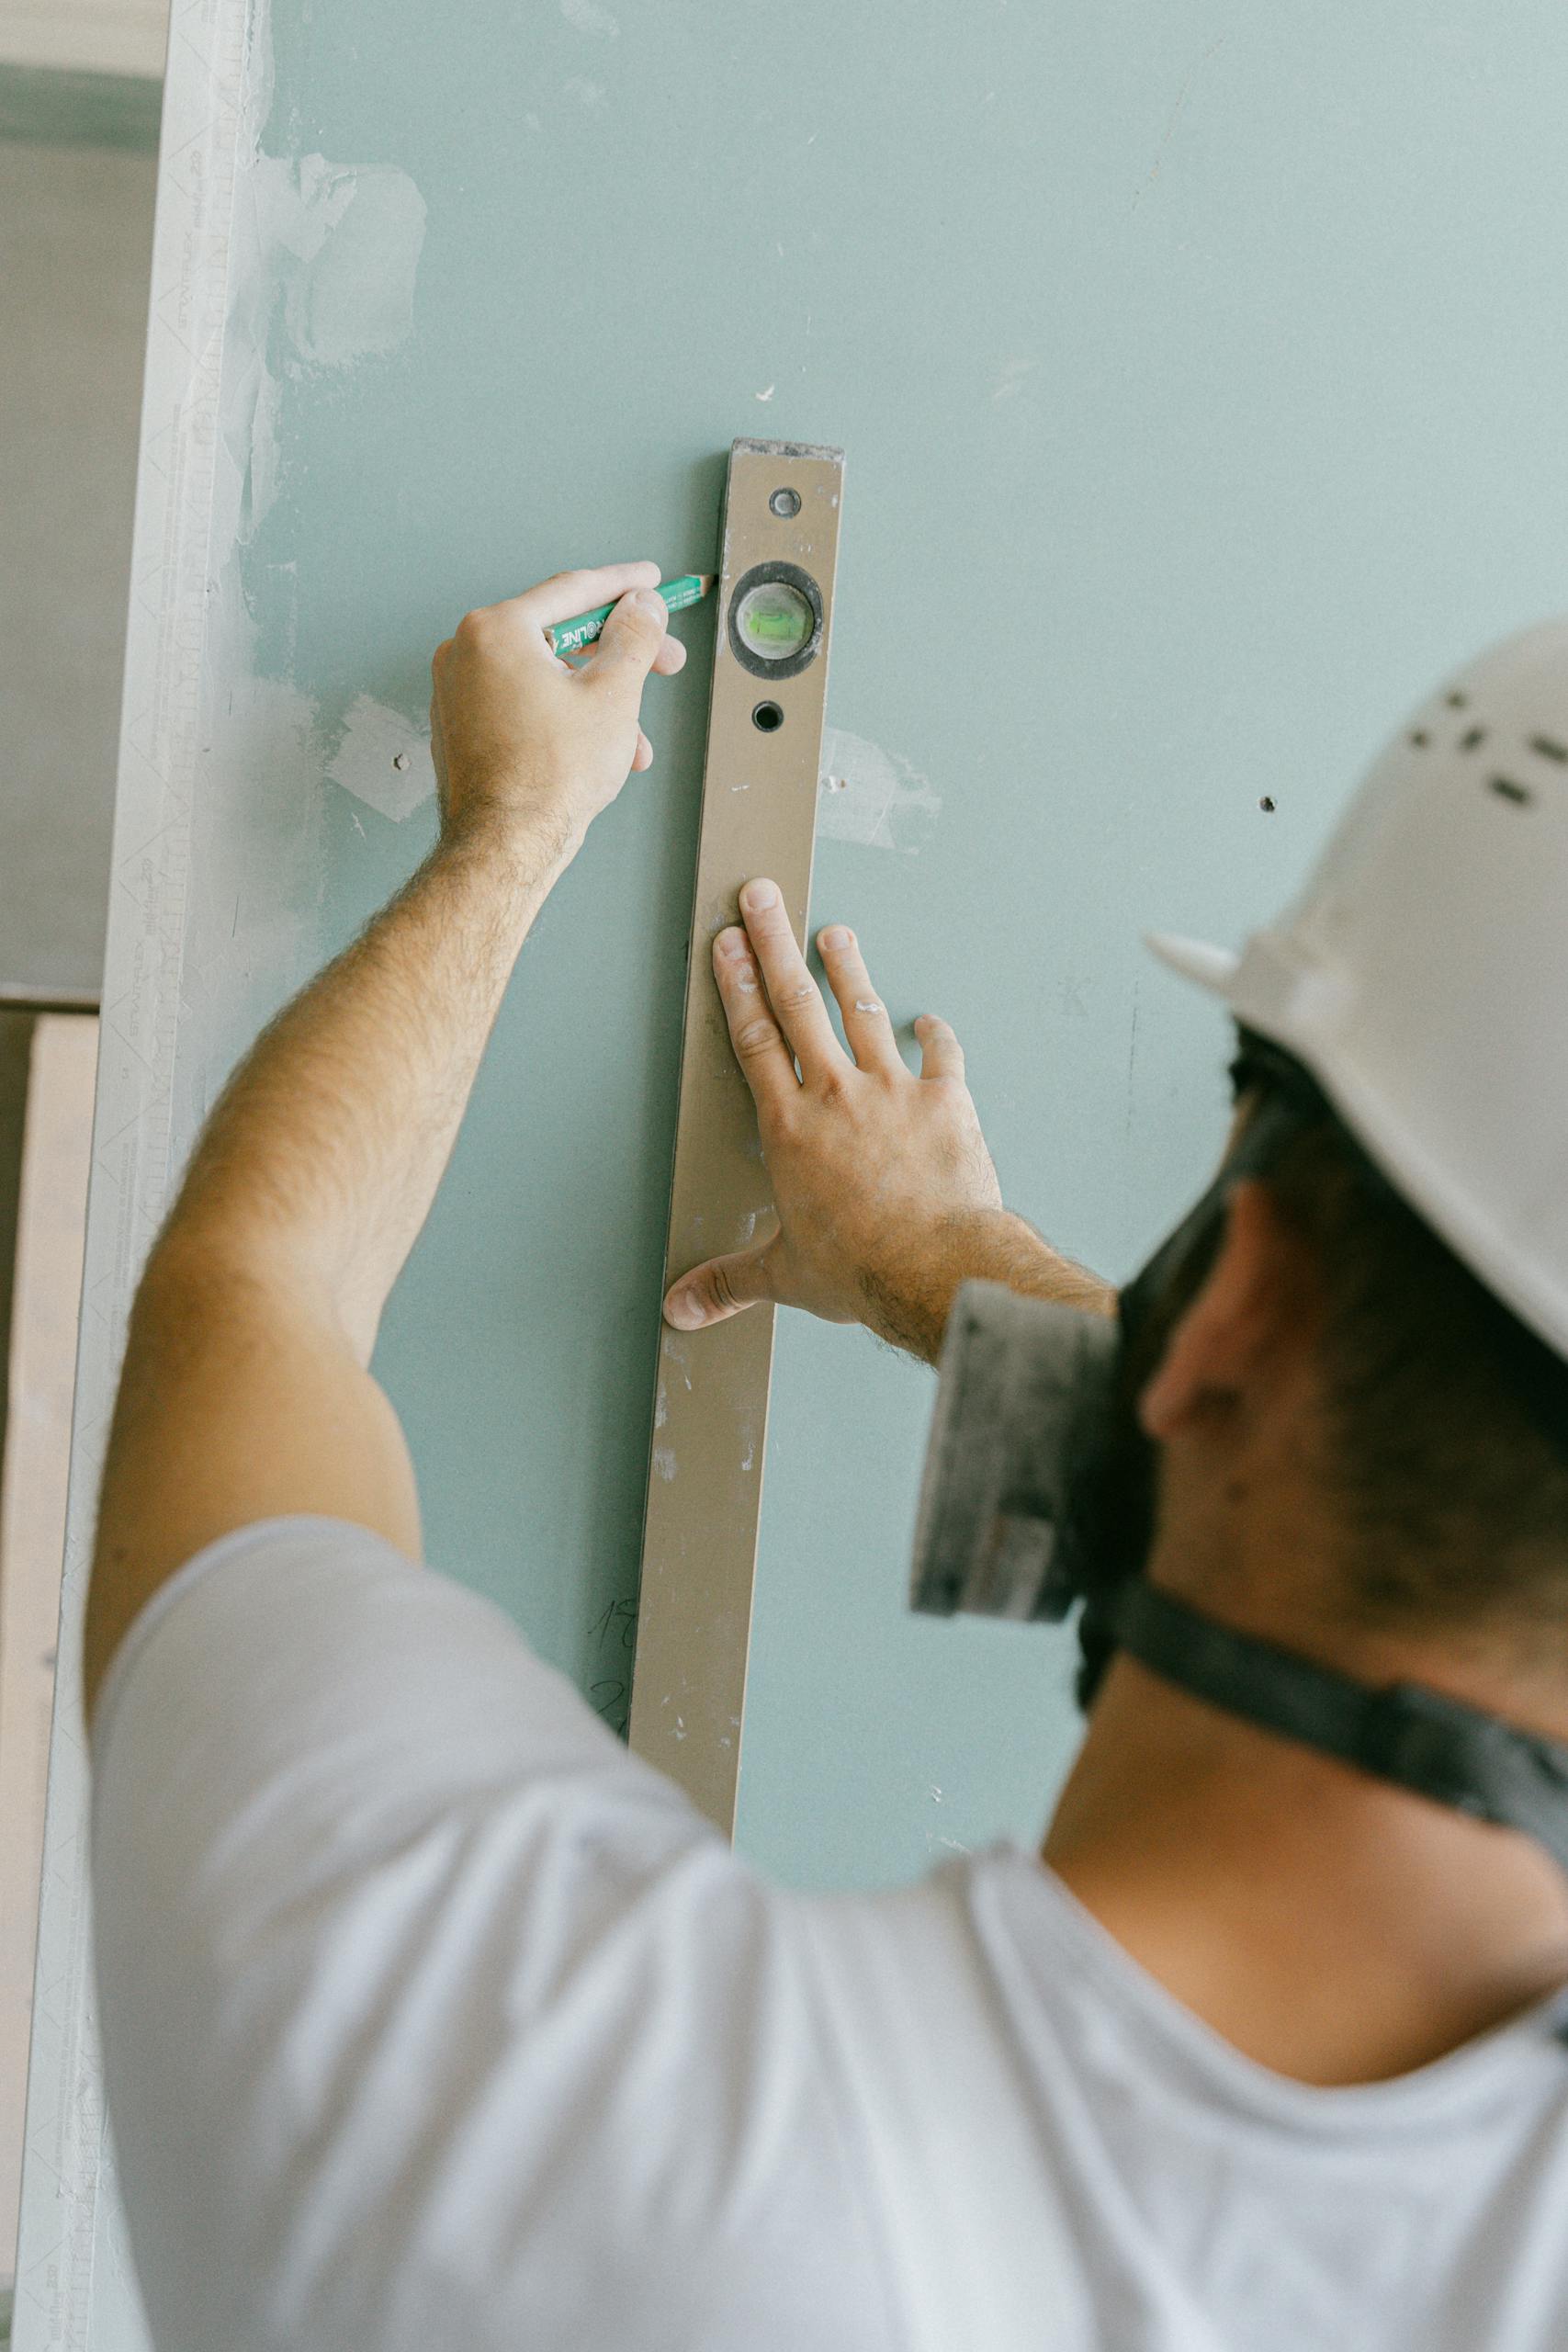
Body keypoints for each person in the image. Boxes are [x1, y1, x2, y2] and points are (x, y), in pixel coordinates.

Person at [85, 562, 1568, 2351]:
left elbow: (258, 1302)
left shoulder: (515, 2105)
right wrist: (921, 1260)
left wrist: (506, 831)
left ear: (1235, 1300)